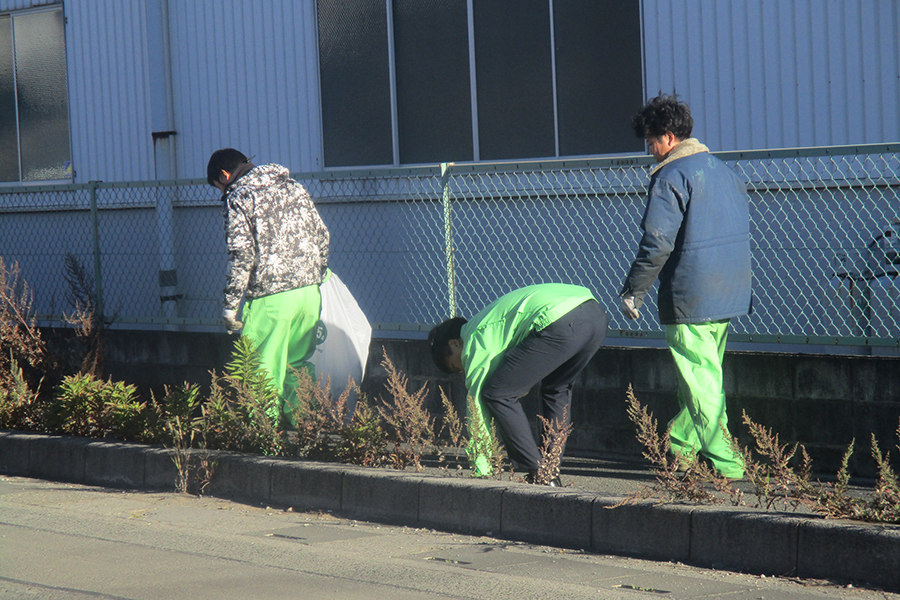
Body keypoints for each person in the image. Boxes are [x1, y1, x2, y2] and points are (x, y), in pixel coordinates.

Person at [619, 95, 752, 480]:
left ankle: (730, 467)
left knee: (699, 382)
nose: (649, 149)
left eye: (651, 140)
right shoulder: (725, 171)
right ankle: (679, 452)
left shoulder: (671, 175)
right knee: (703, 379)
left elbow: (657, 241)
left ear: (670, 137)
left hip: (690, 293)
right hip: (729, 291)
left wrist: (634, 290)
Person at [428, 283, 608, 483]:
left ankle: (537, 471)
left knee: (498, 394)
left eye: (456, 366)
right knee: (556, 390)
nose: (463, 371)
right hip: (595, 314)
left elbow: (477, 406)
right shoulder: (488, 322)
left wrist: (482, 469)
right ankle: (550, 473)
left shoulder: (474, 338)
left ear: (454, 343)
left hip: (561, 320)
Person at [207, 148, 330, 423]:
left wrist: (230, 305)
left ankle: (262, 444)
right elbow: (322, 234)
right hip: (308, 294)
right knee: (297, 368)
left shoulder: (239, 195)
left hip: (271, 298)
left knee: (262, 372)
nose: (222, 192)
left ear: (225, 176)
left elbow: (242, 254)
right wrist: (316, 276)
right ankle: (306, 438)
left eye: (219, 187)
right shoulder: (294, 186)